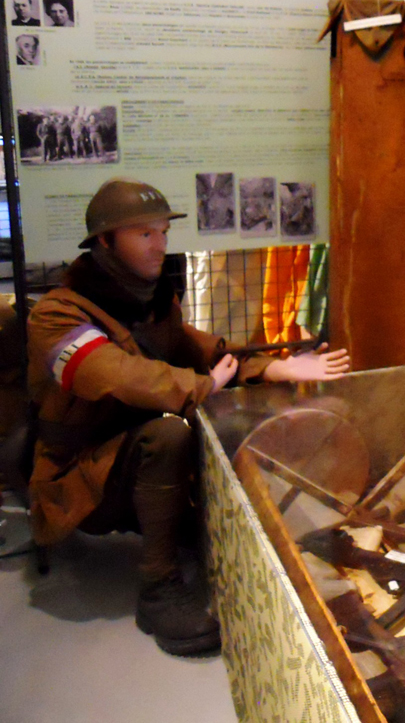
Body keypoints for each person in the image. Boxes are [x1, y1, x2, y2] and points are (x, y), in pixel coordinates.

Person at [26, 178, 352, 656]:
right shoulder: (56, 315)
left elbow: (201, 350)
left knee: (224, 420)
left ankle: (213, 539)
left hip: (125, 463)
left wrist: (274, 368)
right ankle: (158, 589)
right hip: (77, 477)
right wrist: (204, 386)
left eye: (163, 232)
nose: (160, 245)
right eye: (144, 234)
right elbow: (110, 372)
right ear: (105, 241)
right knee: (169, 433)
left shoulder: (152, 303)